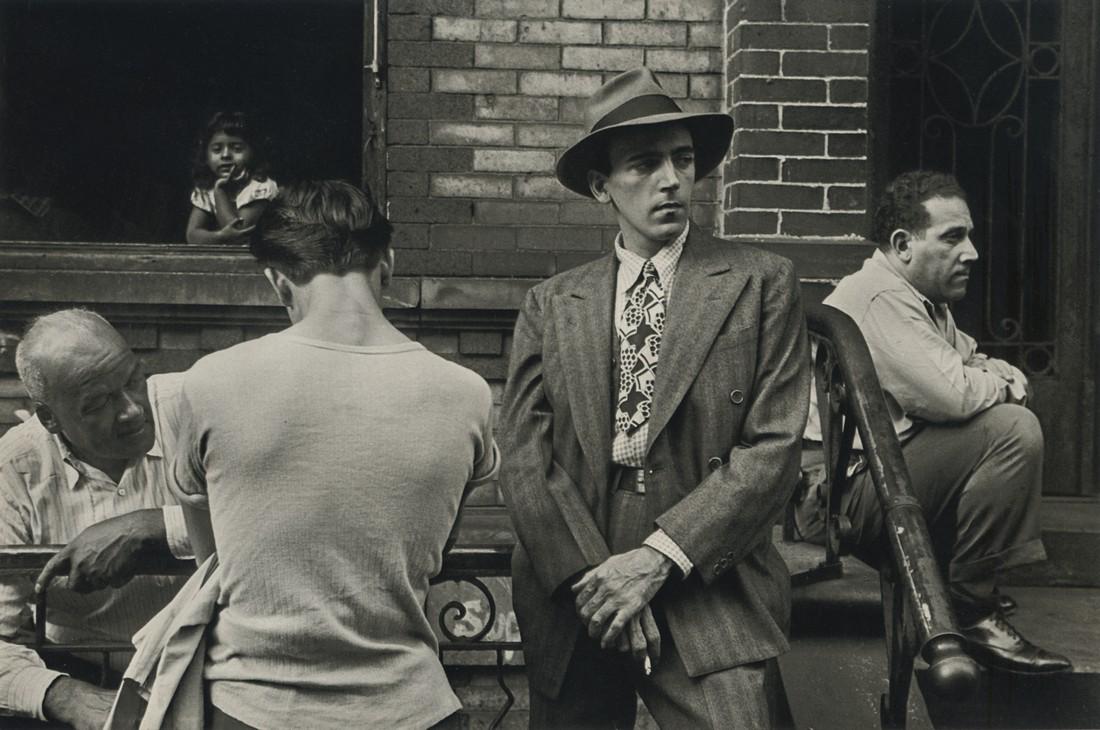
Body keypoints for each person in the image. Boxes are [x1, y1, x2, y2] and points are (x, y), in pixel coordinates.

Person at [500, 67, 810, 728]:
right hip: (575, 573)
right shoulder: (551, 305)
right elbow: (526, 458)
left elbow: (774, 447)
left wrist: (657, 561)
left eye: (683, 160)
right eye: (644, 164)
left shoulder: (761, 282)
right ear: (600, 186)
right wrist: (599, 583)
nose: (671, 180)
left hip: (708, 566)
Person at [170, 180, 499, 729]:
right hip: (411, 707)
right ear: (387, 266)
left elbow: (215, 563)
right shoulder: (466, 393)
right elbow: (436, 546)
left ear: (279, 283)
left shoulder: (211, 382)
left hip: (253, 708)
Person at [801, 170, 1071, 674]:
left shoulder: (923, 300)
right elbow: (954, 395)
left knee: (995, 423)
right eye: (953, 237)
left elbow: (970, 367)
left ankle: (959, 591)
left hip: (879, 480)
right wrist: (1008, 382)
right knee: (1012, 430)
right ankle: (970, 611)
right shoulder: (878, 298)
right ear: (903, 244)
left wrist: (985, 377)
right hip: (840, 497)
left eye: (968, 235)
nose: (971, 252)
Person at [0, 310, 192, 730]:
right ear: (49, 418)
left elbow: (275, 524)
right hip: (84, 675)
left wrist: (157, 527)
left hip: (215, 672)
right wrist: (61, 695)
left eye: (132, 381)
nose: (131, 411)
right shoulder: (12, 468)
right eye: (97, 403)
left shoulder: (194, 408)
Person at [184, 112, 278, 245]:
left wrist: (220, 192)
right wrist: (220, 236)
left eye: (237, 148)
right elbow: (192, 236)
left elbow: (240, 235)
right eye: (217, 150)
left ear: (254, 152)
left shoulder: (260, 187)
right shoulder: (207, 189)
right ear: (205, 155)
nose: (226, 155)